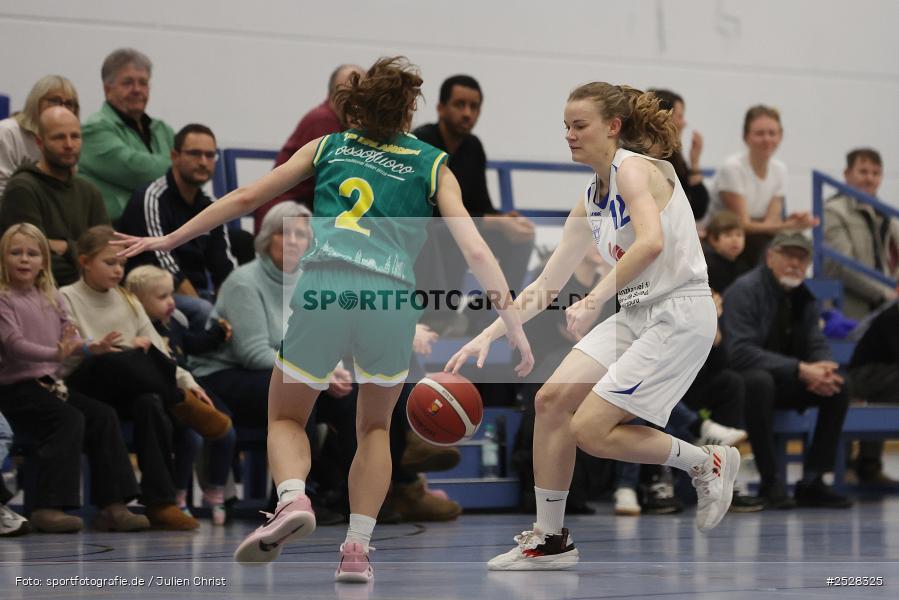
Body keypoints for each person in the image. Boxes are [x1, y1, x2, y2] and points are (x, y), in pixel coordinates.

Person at [113, 56, 533, 583]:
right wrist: (512, 322)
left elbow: (246, 197)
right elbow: (474, 247)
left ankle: (292, 498)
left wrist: (170, 238)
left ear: (355, 107)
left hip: (326, 287)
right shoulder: (432, 163)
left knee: (287, 417)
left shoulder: (329, 145)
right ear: (409, 111)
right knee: (374, 427)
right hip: (391, 298)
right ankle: (356, 549)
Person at [447, 82, 740, 571]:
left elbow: (649, 242)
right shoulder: (590, 198)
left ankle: (705, 462)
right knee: (550, 401)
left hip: (679, 311)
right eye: (566, 126)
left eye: (579, 125)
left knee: (590, 430)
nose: (569, 134)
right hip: (638, 312)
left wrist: (593, 300)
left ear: (613, 127)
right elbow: (546, 283)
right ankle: (550, 539)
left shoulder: (634, 169)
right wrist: (490, 332)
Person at [62, 226, 232, 530]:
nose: (118, 270)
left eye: (122, 263)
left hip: (132, 384)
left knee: (150, 400)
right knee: (122, 356)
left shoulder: (127, 299)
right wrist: (120, 349)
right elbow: (68, 354)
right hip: (84, 380)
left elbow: (160, 353)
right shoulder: (66, 297)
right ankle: (178, 401)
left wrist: (190, 383)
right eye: (109, 262)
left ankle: (161, 503)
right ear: (84, 261)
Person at [0, 223, 149, 533]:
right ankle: (48, 506)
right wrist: (56, 354)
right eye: (16, 253)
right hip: (14, 388)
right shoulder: (4, 298)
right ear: (3, 258)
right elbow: (14, 345)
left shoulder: (51, 296)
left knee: (102, 415)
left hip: (50, 386)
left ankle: (114, 506)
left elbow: (70, 336)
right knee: (67, 419)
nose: (24, 259)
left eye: (32, 253)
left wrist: (91, 347)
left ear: (44, 260)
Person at [722, 231, 853, 509]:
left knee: (839, 386)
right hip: (743, 380)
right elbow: (739, 352)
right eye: (788, 256)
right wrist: (800, 369)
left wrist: (823, 369)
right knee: (759, 382)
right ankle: (771, 481)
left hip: (785, 377)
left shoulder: (805, 297)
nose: (794, 264)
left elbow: (815, 341)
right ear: (770, 257)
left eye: (801, 258)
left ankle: (813, 481)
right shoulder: (745, 290)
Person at [125, 265, 236, 525]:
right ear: (138, 301)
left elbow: (192, 344)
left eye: (171, 295)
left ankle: (216, 489)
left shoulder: (174, 323)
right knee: (191, 438)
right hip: (167, 394)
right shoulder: (139, 331)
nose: (171, 303)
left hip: (190, 385)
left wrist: (217, 335)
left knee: (226, 427)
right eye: (162, 297)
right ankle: (179, 494)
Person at [414, 75, 535, 302]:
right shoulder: (421, 141)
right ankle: (438, 311)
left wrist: (505, 219)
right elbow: (429, 214)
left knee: (520, 238)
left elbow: (481, 206)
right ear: (441, 108)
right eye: (460, 105)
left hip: (463, 225)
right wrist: (493, 221)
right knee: (448, 234)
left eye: (474, 107)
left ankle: (488, 314)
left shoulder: (473, 147)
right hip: (428, 231)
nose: (467, 113)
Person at [118, 124, 238, 330]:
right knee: (204, 311)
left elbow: (222, 265)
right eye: (195, 153)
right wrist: (214, 313)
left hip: (200, 294)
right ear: (175, 156)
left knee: (239, 309)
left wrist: (228, 307)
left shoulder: (210, 204)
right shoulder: (151, 197)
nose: (203, 162)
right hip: (154, 294)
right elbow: (162, 261)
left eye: (210, 155)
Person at [0, 107, 109, 286]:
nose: (69, 144)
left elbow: (108, 254)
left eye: (75, 136)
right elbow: (33, 263)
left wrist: (66, 247)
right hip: (42, 292)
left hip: (90, 292)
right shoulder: (22, 188)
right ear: (39, 142)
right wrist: (84, 261)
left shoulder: (89, 191)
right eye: (59, 137)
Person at [254, 64, 365, 227]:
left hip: (304, 211)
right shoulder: (322, 121)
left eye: (361, 93)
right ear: (333, 94)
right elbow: (335, 182)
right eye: (348, 93)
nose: (355, 101)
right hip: (285, 218)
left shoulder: (341, 123)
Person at [709, 105, 816, 264]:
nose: (767, 139)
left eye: (772, 133)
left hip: (753, 238)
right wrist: (788, 225)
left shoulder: (780, 170)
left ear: (780, 136)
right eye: (760, 133)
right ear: (746, 137)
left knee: (793, 245)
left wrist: (788, 224)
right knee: (766, 248)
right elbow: (742, 224)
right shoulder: (732, 168)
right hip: (721, 237)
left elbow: (771, 224)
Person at [79, 48, 175, 220]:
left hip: (166, 225)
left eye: (143, 83)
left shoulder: (163, 130)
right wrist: (182, 169)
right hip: (118, 230)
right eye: (127, 83)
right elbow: (138, 172)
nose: (137, 89)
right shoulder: (93, 129)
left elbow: (196, 173)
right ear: (107, 89)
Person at [823, 148, 899, 320]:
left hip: (887, 309)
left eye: (876, 173)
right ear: (847, 174)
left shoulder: (888, 216)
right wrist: (886, 293)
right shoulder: (832, 211)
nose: (869, 178)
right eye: (863, 172)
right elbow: (841, 266)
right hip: (849, 313)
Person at [0, 75, 80, 200]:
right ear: (36, 103)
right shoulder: (7, 132)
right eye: (54, 101)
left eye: (69, 104)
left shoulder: (70, 140)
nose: (62, 109)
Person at [847, 300, 899, 483]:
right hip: (862, 377)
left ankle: (869, 465)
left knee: (884, 402)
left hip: (885, 381)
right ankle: (852, 465)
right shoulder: (890, 317)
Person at [647, 89, 709, 221]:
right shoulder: (641, 160)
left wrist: (695, 163)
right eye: (680, 116)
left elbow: (698, 210)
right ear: (663, 118)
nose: (684, 123)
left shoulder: (673, 157)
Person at [704, 210, 750, 293]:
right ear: (714, 240)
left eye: (739, 235)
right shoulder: (707, 266)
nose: (735, 240)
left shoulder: (743, 267)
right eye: (728, 235)